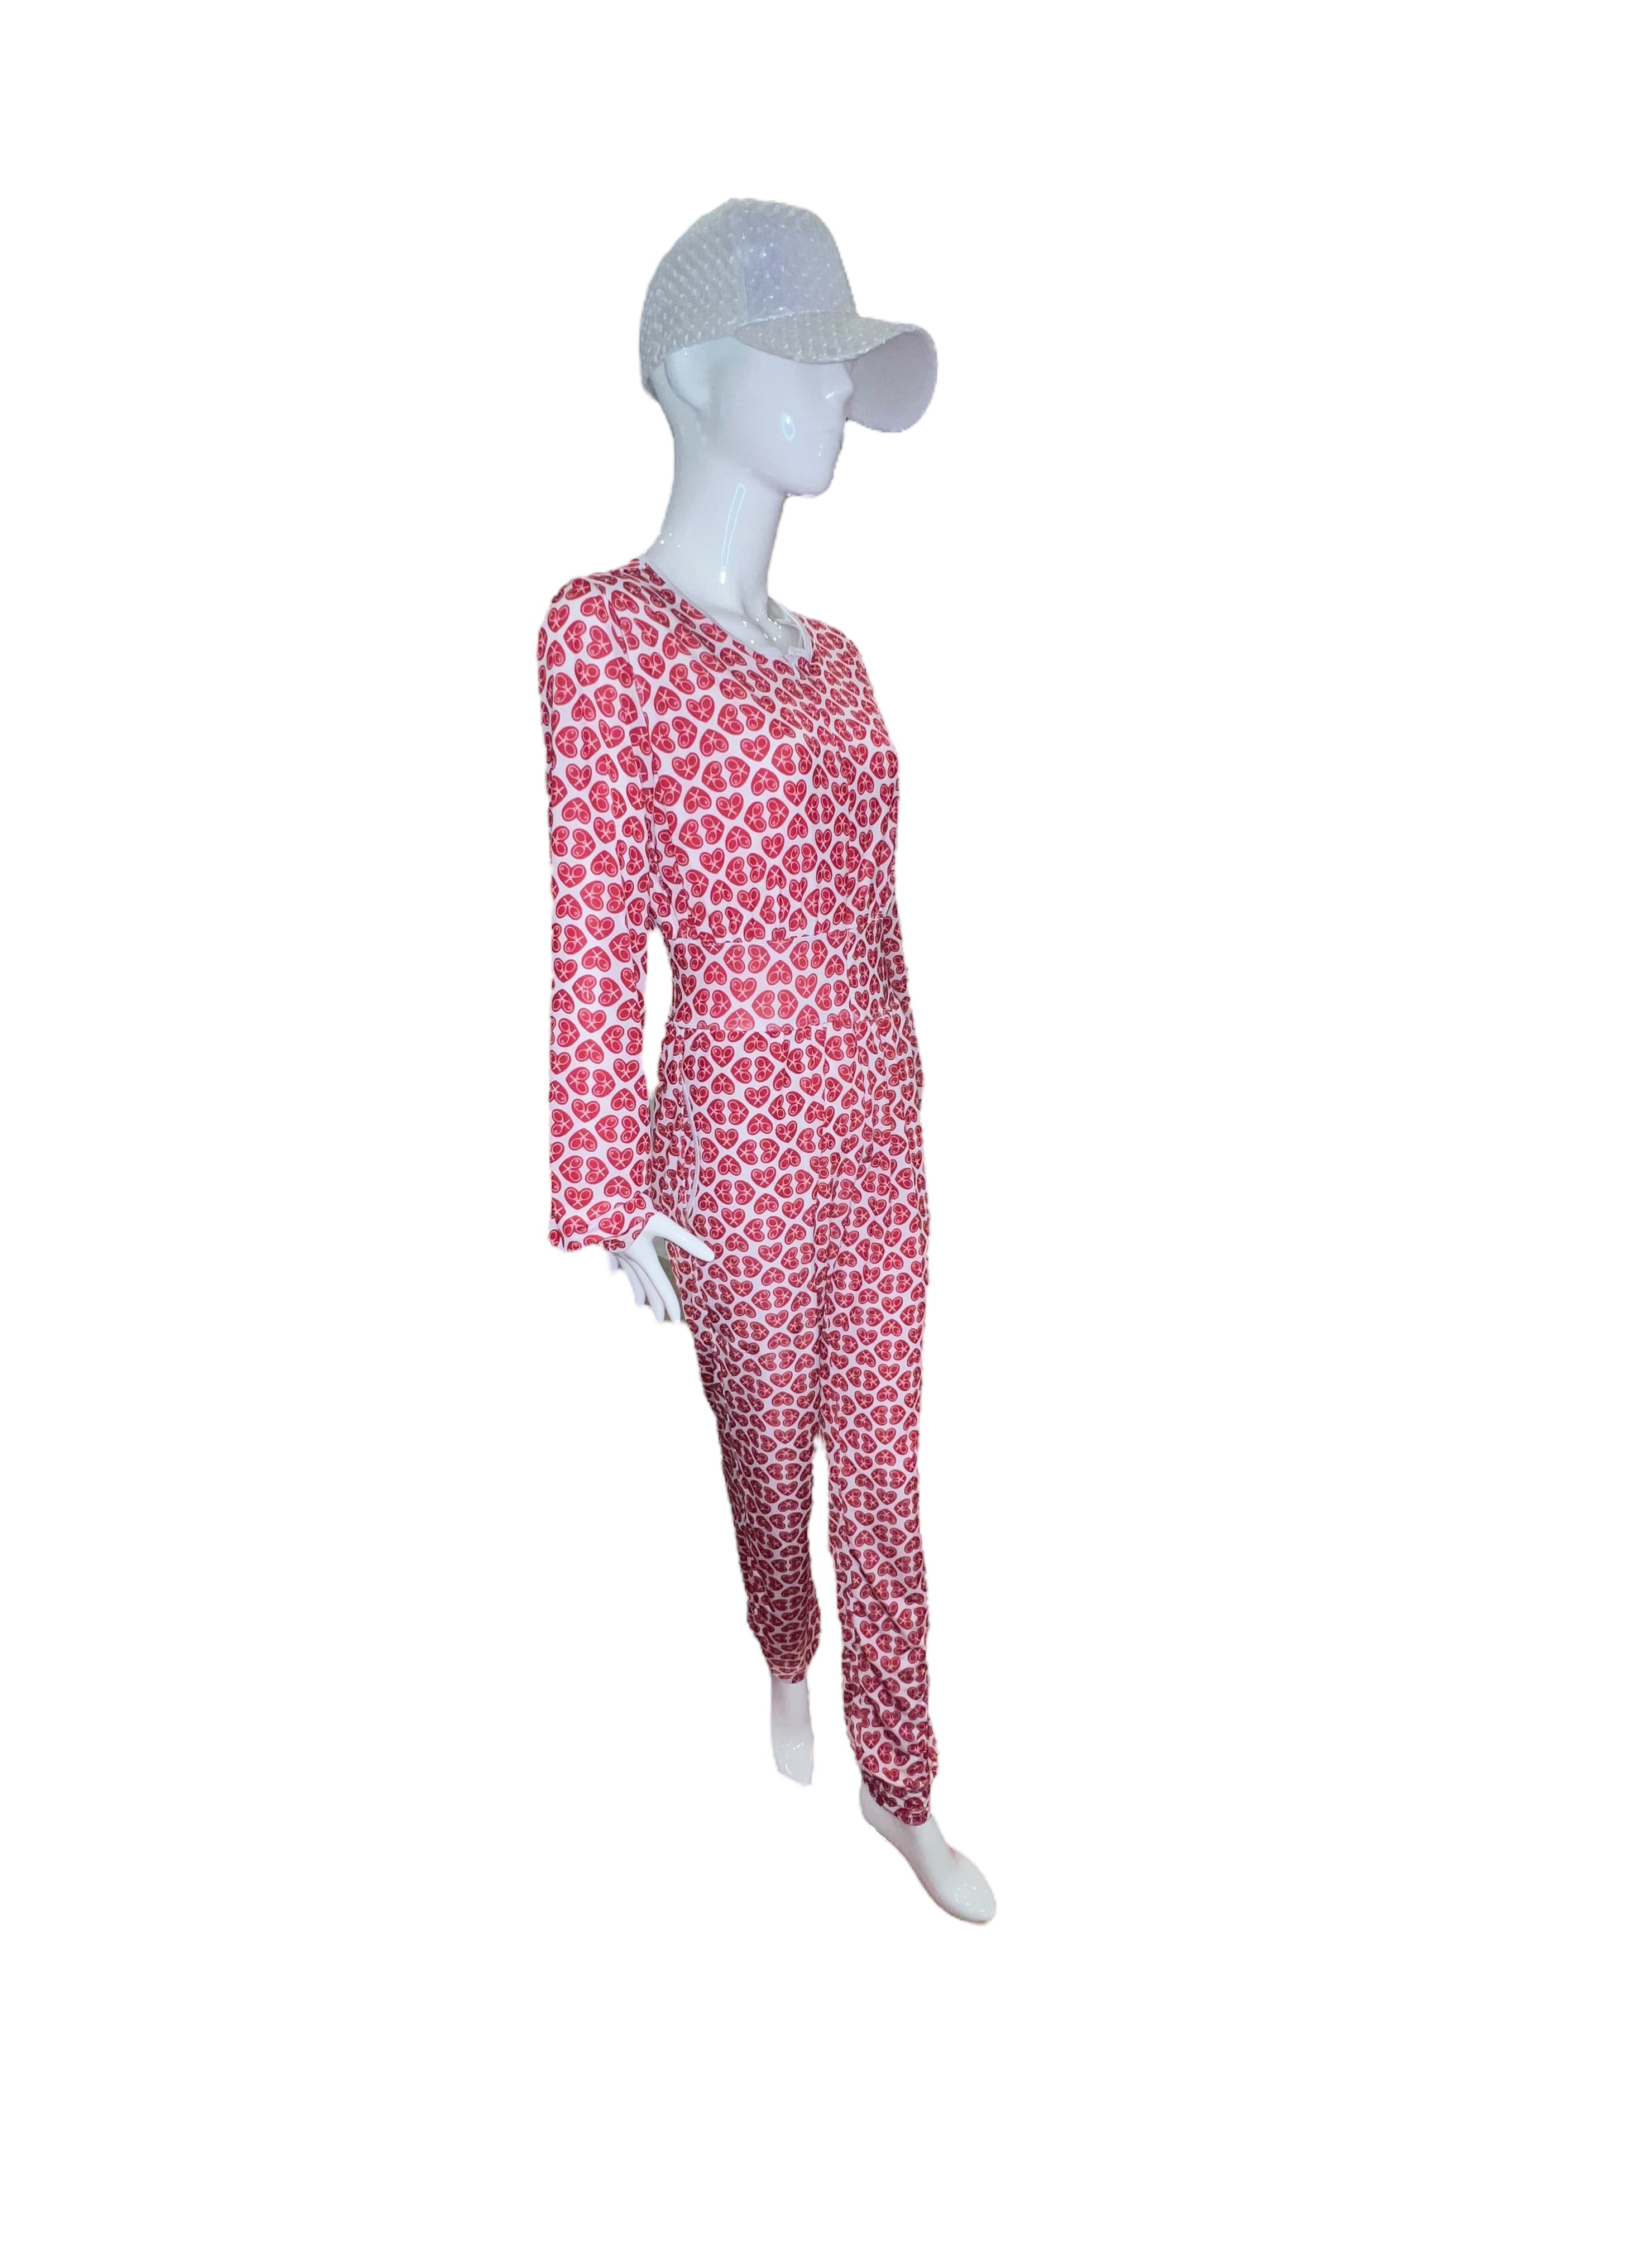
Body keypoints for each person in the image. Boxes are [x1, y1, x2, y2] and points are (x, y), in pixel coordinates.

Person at [543, 200, 993, 1920]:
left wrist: (910, 1099)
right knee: (765, 1448)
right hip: (728, 1127)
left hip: (877, 1117)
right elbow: (596, 920)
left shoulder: (843, 663)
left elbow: (881, 911)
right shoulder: (604, 636)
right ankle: (781, 1647)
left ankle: (903, 1780)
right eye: (803, 364)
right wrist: (607, 1189)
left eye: (843, 370)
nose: (837, 401)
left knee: (883, 1462)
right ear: (693, 374)